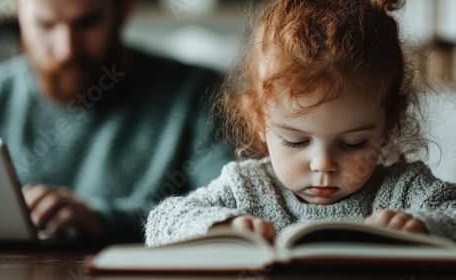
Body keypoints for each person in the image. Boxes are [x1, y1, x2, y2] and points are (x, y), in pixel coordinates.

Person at [144, 0, 456, 247]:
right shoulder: (246, 188)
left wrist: (425, 226)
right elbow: (161, 223)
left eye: (353, 143)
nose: (323, 165)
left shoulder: (405, 191)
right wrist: (222, 227)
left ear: (389, 123)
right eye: (296, 141)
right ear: (258, 120)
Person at [0, 0, 233, 243]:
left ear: (122, 10)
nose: (66, 49)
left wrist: (105, 221)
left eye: (86, 23)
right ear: (19, 13)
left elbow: (227, 208)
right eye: (45, 24)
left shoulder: (200, 93)